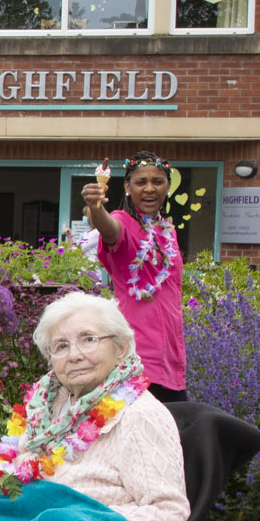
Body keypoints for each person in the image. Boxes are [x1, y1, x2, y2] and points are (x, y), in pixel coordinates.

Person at [0, 292, 188, 521]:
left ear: (120, 348)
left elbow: (168, 511)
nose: (74, 355)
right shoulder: (43, 407)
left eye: (88, 339)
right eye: (61, 346)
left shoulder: (140, 416)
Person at [80, 154, 189, 402]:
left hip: (171, 362)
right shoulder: (123, 221)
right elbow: (110, 230)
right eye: (141, 182)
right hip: (136, 362)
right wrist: (96, 208)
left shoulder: (167, 232)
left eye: (157, 181)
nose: (150, 188)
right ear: (128, 187)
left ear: (168, 187)